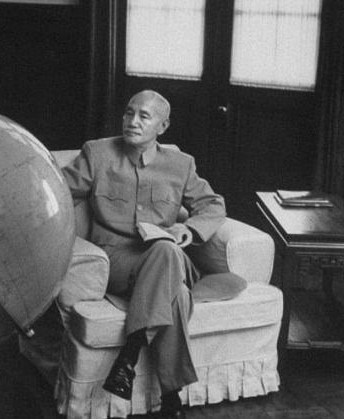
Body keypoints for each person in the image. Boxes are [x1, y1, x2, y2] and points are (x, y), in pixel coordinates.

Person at [61, 90, 225, 419]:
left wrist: (189, 230)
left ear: (162, 127)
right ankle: (171, 396)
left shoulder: (181, 164)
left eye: (144, 116)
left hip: (163, 256)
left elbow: (213, 205)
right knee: (177, 294)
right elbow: (58, 189)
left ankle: (129, 359)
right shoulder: (97, 153)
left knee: (166, 250)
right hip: (116, 262)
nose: (132, 121)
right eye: (128, 113)